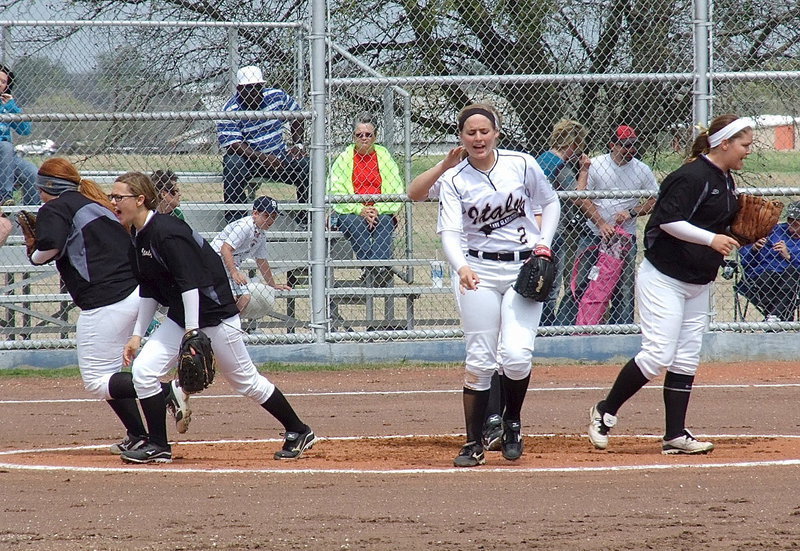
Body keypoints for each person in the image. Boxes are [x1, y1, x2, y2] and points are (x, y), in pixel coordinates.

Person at [112, 172, 315, 464]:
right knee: (143, 373)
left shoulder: (166, 232)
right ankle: (158, 445)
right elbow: (149, 289)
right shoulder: (137, 234)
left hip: (215, 316)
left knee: (246, 382)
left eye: (120, 197)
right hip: (183, 318)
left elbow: (189, 284)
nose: (114, 202)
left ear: (140, 200)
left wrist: (193, 333)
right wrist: (136, 335)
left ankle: (299, 429)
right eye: (113, 197)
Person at [587, 114, 749, 455]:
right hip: (665, 278)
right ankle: (604, 411)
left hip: (698, 280)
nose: (747, 151)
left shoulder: (726, 179)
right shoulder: (691, 176)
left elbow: (717, 224)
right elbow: (668, 220)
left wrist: (743, 238)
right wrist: (710, 240)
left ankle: (675, 435)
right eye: (744, 144)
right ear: (724, 143)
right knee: (659, 352)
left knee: (686, 357)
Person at [28, 158, 190, 455]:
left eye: (41, 189)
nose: (40, 195)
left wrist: (33, 252)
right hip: (133, 294)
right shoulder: (96, 201)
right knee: (111, 371)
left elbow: (47, 249)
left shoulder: (56, 206)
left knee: (96, 380)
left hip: (106, 300)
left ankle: (164, 391)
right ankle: (138, 434)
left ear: (49, 187)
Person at [437, 103, 560, 467]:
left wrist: (544, 243)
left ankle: (513, 423)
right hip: (478, 271)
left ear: (496, 133)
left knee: (517, 356)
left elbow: (550, 203)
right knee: (479, 360)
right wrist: (460, 266)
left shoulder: (521, 163)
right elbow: (449, 231)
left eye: (484, 131)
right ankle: (474, 442)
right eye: (470, 132)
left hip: (524, 267)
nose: (478, 138)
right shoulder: (455, 179)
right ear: (461, 137)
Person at [558, 124, 658, 325]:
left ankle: (620, 329)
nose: (631, 150)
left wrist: (631, 212)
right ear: (613, 145)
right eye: (625, 145)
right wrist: (602, 223)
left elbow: (655, 200)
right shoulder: (596, 164)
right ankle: (566, 327)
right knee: (580, 283)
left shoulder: (642, 169)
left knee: (624, 287)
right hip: (594, 233)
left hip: (622, 238)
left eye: (633, 145)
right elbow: (581, 197)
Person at [216, 65, 309, 226]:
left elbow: (298, 116)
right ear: (239, 89)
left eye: (258, 87)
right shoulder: (230, 109)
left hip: (279, 158)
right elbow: (234, 145)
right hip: (250, 161)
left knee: (307, 164)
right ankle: (235, 221)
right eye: (249, 88)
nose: (254, 92)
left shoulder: (276, 96)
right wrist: (264, 158)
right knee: (232, 163)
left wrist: (298, 144)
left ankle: (306, 217)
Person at [327, 113, 404, 287]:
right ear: (353, 137)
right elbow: (336, 190)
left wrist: (376, 209)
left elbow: (395, 188)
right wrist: (360, 209)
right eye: (359, 134)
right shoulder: (344, 158)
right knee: (354, 223)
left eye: (368, 134)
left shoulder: (384, 157)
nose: (364, 138)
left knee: (385, 222)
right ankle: (377, 268)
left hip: (380, 209)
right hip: (350, 210)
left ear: (375, 137)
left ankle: (375, 269)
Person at [534, 120, 591, 326]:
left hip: (537, 225)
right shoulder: (559, 164)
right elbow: (577, 196)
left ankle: (542, 323)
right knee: (551, 284)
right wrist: (584, 171)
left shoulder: (542, 158)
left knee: (541, 278)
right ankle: (547, 326)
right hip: (554, 229)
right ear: (573, 145)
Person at [211, 195, 292, 314]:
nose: (270, 220)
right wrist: (234, 272)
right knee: (231, 298)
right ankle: (225, 324)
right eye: (266, 215)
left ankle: (231, 324)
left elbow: (261, 260)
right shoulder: (245, 226)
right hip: (215, 261)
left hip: (231, 265)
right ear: (255, 213)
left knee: (245, 298)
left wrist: (272, 284)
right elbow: (225, 249)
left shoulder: (261, 234)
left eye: (274, 216)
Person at [737, 201, 800, 322]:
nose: (791, 228)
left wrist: (789, 256)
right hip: (764, 274)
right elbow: (745, 262)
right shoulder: (774, 231)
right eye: (789, 222)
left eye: (796, 225)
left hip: (792, 277)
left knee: (791, 275)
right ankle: (777, 319)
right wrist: (754, 249)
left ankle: (774, 319)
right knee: (765, 276)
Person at [0, 64, 38, 206]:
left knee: (32, 174)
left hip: (6, 157)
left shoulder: (6, 105)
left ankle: (29, 217)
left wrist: (11, 107)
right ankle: (4, 197)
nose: (0, 84)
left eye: (4, 82)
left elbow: (25, 130)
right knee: (5, 145)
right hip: (4, 150)